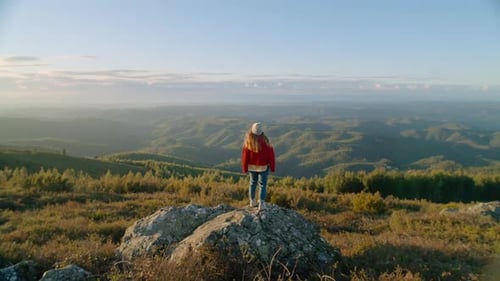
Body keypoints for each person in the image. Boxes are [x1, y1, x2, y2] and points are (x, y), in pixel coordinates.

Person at [241, 122, 275, 210]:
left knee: (252, 183)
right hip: (263, 167)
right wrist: (272, 167)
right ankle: (261, 204)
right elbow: (271, 156)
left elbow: (245, 157)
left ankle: (252, 201)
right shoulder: (266, 141)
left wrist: (244, 168)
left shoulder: (248, 142)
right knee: (262, 185)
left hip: (251, 167)